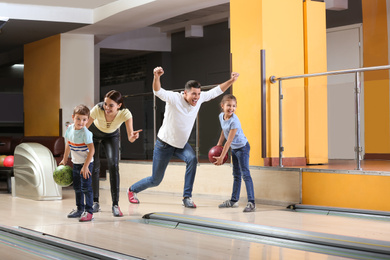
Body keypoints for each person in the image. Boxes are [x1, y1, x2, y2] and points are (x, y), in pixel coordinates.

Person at [127, 66, 239, 208]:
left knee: (192, 159)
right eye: (193, 94)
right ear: (185, 93)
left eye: (198, 94)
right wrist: (156, 77)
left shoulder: (199, 98)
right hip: (164, 144)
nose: (197, 97)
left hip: (181, 144)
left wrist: (231, 80)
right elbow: (157, 91)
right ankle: (132, 190)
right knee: (156, 180)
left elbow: (216, 91)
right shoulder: (174, 98)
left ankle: (187, 197)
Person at [87, 90, 142, 217]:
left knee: (114, 166)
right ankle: (95, 202)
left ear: (119, 105)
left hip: (111, 136)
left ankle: (115, 204)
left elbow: (130, 138)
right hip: (94, 134)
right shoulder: (97, 109)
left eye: (111, 105)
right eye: (105, 104)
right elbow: (85, 128)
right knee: (95, 166)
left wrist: (134, 136)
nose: (106, 107)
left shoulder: (125, 114)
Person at [213, 94, 255, 212]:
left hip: (242, 148)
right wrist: (218, 145)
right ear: (222, 106)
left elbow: (229, 140)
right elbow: (223, 131)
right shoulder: (221, 116)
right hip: (234, 148)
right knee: (236, 175)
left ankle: (251, 203)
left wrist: (222, 157)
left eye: (234, 106)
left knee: (245, 174)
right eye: (229, 105)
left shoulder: (235, 121)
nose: (231, 108)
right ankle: (233, 201)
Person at [60, 105, 95, 222]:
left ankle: (89, 211)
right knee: (77, 187)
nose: (81, 122)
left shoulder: (86, 133)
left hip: (86, 164)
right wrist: (65, 160)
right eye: (78, 119)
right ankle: (80, 209)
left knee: (86, 187)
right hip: (76, 163)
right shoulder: (69, 129)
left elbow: (92, 150)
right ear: (73, 117)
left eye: (84, 119)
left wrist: (85, 166)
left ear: (88, 120)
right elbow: (68, 144)